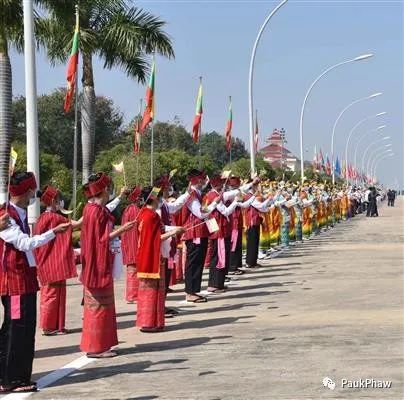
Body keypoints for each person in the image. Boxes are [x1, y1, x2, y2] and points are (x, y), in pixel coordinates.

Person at [0, 172, 70, 393]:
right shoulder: (6, 216)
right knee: (15, 329)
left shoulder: (17, 213)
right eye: (33, 190)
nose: (35, 194)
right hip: (14, 283)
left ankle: (16, 376)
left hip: (24, 280)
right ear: (27, 191)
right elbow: (24, 244)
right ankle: (11, 379)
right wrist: (52, 233)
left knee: (23, 328)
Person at [80, 173, 135, 358]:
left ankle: (101, 345)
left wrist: (119, 198)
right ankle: (96, 347)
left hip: (96, 263)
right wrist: (122, 229)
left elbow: (107, 211)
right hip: (97, 265)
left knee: (101, 307)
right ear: (103, 190)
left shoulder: (92, 209)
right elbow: (100, 240)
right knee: (99, 308)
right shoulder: (95, 212)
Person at [136, 187, 184, 332]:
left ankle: (153, 322)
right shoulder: (150, 216)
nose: (162, 198)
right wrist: (174, 232)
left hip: (149, 255)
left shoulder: (144, 213)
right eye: (159, 196)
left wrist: (174, 229)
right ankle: (149, 323)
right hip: (152, 256)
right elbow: (155, 239)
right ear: (154, 198)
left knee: (153, 290)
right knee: (152, 290)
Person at [34, 186, 78, 336]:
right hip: (53, 263)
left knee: (53, 295)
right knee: (52, 296)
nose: (61, 202)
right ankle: (49, 326)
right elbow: (75, 225)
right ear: (53, 201)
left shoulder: (41, 218)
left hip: (48, 262)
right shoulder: (55, 218)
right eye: (59, 199)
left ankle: (56, 326)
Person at [181, 169, 218, 303]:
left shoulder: (197, 193)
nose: (204, 181)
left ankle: (194, 291)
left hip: (200, 231)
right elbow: (201, 213)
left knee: (198, 263)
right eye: (202, 179)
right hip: (193, 232)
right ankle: (190, 292)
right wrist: (215, 203)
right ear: (197, 180)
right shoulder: (191, 196)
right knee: (193, 263)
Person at [204, 176, 239, 293]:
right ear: (216, 185)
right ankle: (214, 284)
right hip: (218, 230)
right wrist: (236, 202)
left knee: (221, 256)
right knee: (218, 257)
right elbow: (225, 211)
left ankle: (219, 283)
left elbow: (230, 194)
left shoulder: (213, 194)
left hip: (219, 228)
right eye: (222, 184)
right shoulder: (213, 196)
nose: (223, 187)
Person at [121, 186, 142, 304]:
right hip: (133, 242)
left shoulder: (128, 209)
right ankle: (133, 295)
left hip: (128, 242)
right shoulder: (135, 210)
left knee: (132, 270)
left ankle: (132, 294)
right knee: (133, 270)